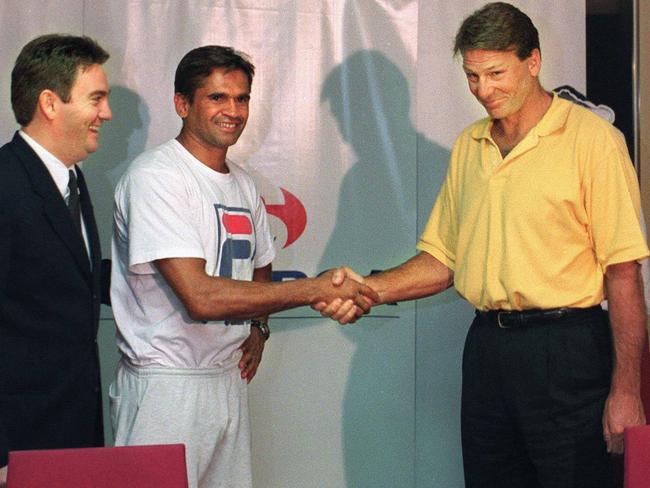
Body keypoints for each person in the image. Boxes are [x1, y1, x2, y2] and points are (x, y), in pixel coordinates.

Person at [316, 3, 650, 487]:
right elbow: (443, 259)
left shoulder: (593, 140)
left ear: (532, 62)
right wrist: (370, 288)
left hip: (568, 351)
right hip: (487, 351)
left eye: (496, 73)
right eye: (473, 76)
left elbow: (623, 272)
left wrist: (626, 389)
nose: (484, 90)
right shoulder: (470, 145)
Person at [109, 45, 376, 488]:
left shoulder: (244, 183)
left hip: (225, 380)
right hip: (165, 387)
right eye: (217, 97)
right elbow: (201, 297)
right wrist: (315, 289)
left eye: (242, 98)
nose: (233, 110)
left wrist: (259, 326)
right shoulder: (156, 177)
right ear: (182, 104)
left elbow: (261, 264)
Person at [0, 34, 112, 485]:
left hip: (73, 431)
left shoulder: (73, 181)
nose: (106, 113)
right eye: (97, 98)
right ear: (50, 103)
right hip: (18, 445)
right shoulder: (5, 184)